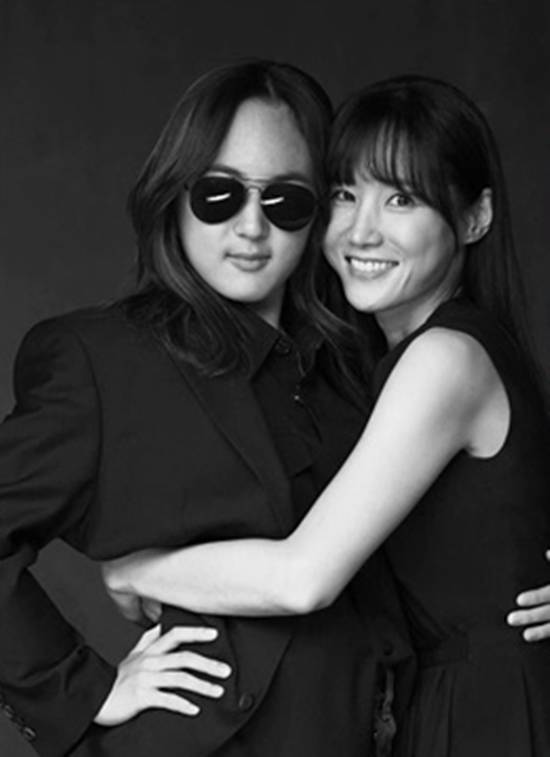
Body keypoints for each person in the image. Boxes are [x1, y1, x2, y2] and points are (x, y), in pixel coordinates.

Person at [103, 75, 550, 755]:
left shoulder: (446, 359)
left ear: (474, 218)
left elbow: (303, 577)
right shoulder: (394, 359)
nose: (361, 230)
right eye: (344, 193)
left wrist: (136, 571)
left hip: (486, 714)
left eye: (401, 198)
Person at [0, 60, 411, 757]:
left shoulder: (359, 362)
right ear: (175, 193)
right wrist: (83, 691)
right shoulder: (104, 360)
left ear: (320, 212)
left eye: (285, 201)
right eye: (219, 194)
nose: (252, 227)